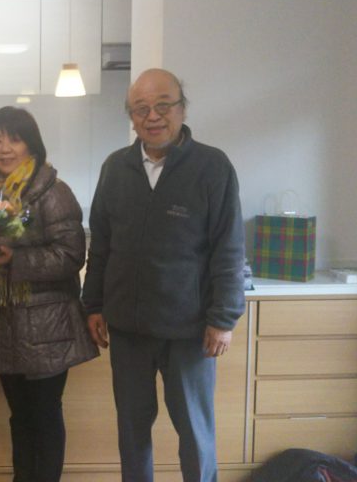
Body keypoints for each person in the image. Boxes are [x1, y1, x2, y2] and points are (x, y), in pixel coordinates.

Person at [82, 68, 246, 482]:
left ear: (182, 109)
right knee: (132, 433)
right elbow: (100, 244)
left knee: (194, 432)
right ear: (131, 117)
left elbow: (229, 246)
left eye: (162, 106)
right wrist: (94, 304)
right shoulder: (115, 168)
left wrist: (223, 318)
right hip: (128, 329)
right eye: (141, 109)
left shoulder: (212, 167)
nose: (152, 116)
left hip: (189, 331)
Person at [0, 107, 99, 482]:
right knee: (20, 417)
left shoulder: (52, 191)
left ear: (32, 145)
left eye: (14, 139)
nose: (5, 148)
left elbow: (71, 255)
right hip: (6, 325)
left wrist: (14, 260)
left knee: (44, 416)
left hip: (46, 326)